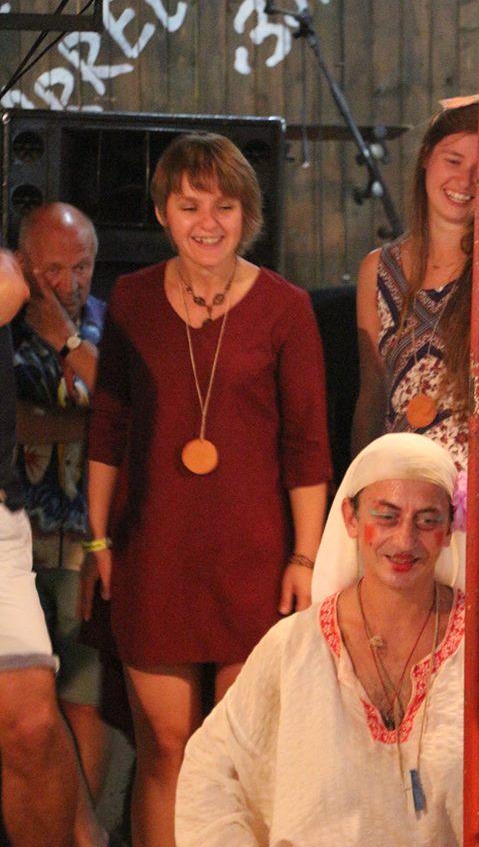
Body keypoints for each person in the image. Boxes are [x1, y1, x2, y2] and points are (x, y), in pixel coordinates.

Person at [82, 132, 333, 847]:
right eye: (190, 204)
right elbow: (108, 425)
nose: (208, 222)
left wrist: (305, 557)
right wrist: (97, 540)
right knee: (166, 747)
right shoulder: (131, 299)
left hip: (255, 558)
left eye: (224, 205)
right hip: (154, 552)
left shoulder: (286, 307)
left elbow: (307, 444)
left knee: (237, 758)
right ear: (164, 211)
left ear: (247, 213)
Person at [175, 432, 479, 847]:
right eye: (386, 516)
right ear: (351, 518)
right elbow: (212, 772)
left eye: (427, 520)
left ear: (448, 529)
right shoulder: (293, 647)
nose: (404, 540)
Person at [351, 98, 479, 621]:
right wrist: (356, 498)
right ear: (426, 157)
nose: (465, 180)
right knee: (404, 654)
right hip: (401, 507)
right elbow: (372, 397)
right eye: (453, 160)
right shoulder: (377, 271)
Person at [0, 247, 107, 847]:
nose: (67, 280)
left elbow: (123, 406)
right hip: (35, 522)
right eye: (51, 266)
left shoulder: (103, 320)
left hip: (57, 531)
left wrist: (65, 340)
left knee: (49, 714)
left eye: (82, 264)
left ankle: (88, 834)